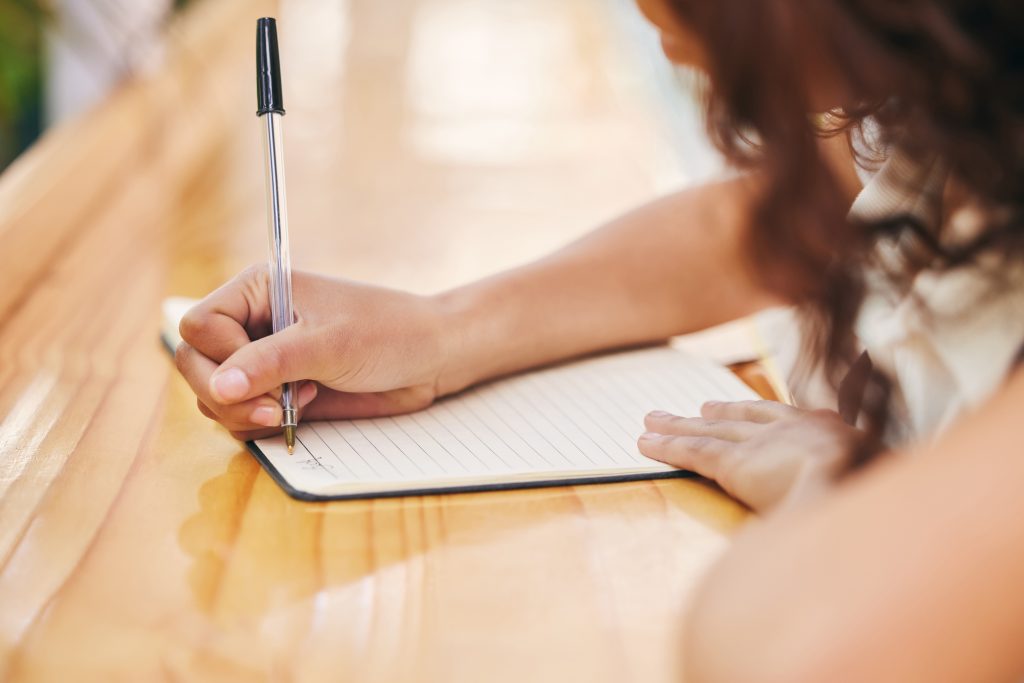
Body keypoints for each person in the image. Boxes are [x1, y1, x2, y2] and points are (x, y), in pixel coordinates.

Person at [175, 0, 1024, 679]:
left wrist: (844, 493)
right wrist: (446, 330)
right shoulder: (951, 83)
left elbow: (787, 646)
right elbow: (802, 215)